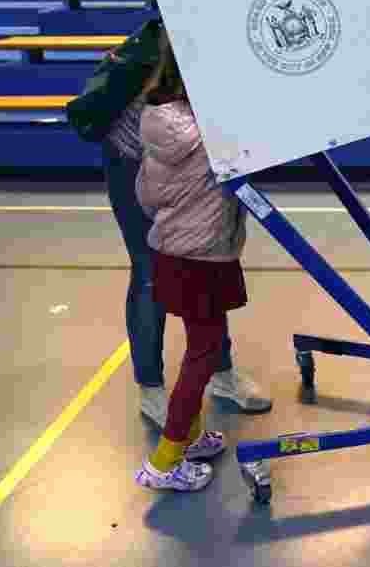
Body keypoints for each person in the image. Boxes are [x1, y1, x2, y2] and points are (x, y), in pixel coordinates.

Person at [101, 26, 270, 428]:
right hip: (136, 153)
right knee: (149, 266)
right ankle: (151, 390)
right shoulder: (190, 29)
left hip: (187, 139)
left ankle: (221, 373)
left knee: (209, 249)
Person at [132, 32, 256, 490]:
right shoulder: (212, 131)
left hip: (175, 249)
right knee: (203, 353)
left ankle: (193, 436)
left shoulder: (159, 121)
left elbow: (146, 195)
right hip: (203, 254)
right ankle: (165, 462)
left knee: (202, 341)